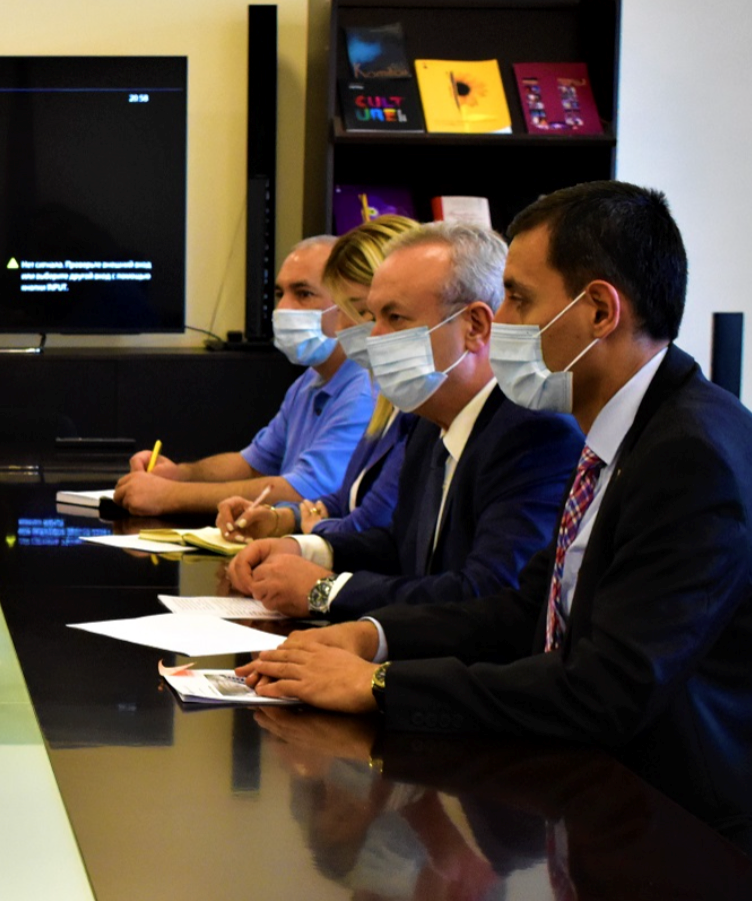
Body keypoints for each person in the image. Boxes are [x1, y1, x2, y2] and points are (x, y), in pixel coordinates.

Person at [240, 181, 752, 875]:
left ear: (599, 310)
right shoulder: (626, 435)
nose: (499, 320)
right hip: (605, 804)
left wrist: (381, 684)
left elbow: (603, 691)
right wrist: (373, 634)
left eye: (519, 298)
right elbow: (523, 611)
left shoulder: (692, 457)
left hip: (691, 855)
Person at [225, 221, 583, 619]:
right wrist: (306, 549)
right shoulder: (429, 422)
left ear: (475, 327)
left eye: (395, 318)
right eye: (372, 316)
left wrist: (323, 590)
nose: (374, 338)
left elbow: (488, 593)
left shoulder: (534, 435)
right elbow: (402, 547)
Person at [114, 237, 374, 517]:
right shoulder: (310, 381)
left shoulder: (364, 391)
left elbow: (305, 491)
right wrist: (179, 474)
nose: (283, 308)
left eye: (303, 293)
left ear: (352, 306)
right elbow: (253, 463)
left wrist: (170, 496)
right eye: (279, 294)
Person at [217, 215, 420, 541]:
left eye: (362, 312)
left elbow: (364, 526)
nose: (340, 328)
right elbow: (346, 503)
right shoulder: (334, 387)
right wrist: (284, 518)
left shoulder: (373, 394)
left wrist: (310, 541)